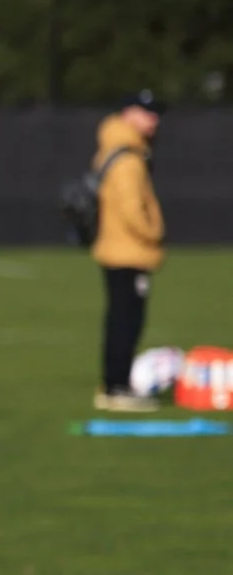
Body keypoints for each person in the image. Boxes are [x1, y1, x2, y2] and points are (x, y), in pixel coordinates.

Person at [92, 91, 166, 412]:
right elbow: (131, 208)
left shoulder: (117, 148)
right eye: (147, 113)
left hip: (117, 247)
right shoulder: (127, 156)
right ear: (128, 113)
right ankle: (117, 387)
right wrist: (155, 232)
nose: (154, 120)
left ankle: (114, 383)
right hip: (127, 250)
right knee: (126, 321)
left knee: (120, 318)